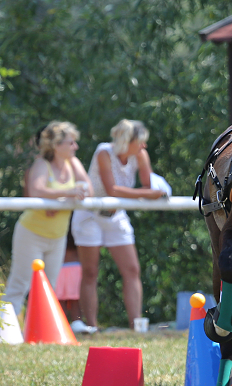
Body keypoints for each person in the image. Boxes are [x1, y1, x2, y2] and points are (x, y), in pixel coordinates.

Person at [71, 120, 166, 329]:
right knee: (90, 272)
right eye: (140, 142)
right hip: (90, 216)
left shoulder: (140, 155)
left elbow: (149, 184)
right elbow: (112, 189)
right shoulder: (104, 152)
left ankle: (136, 325)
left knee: (132, 269)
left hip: (116, 217)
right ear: (127, 141)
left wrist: (156, 189)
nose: (144, 146)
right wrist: (149, 194)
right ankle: (92, 326)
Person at [3, 122, 92, 316]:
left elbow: (89, 190)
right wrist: (69, 193)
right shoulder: (42, 164)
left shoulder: (73, 163)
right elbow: (37, 189)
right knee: (19, 284)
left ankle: (37, 334)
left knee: (48, 288)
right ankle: (5, 333)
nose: (75, 147)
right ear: (56, 145)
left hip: (57, 236)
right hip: (31, 234)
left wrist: (63, 197)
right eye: (71, 143)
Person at [55, 228, 97, 334]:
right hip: (75, 267)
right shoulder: (79, 231)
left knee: (60, 302)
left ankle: (59, 327)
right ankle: (78, 324)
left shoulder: (58, 231)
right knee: (75, 303)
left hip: (58, 268)